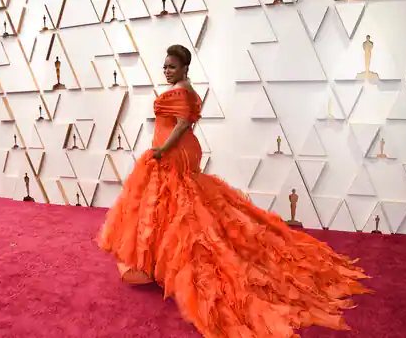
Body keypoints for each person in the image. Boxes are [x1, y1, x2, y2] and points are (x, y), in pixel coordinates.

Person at [98, 44, 371, 338]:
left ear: (185, 68)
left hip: (173, 150)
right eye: (165, 66)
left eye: (172, 67)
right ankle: (162, 263)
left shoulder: (181, 91)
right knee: (172, 203)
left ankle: (173, 264)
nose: (167, 71)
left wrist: (162, 149)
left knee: (177, 202)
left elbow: (180, 126)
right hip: (177, 149)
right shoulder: (184, 88)